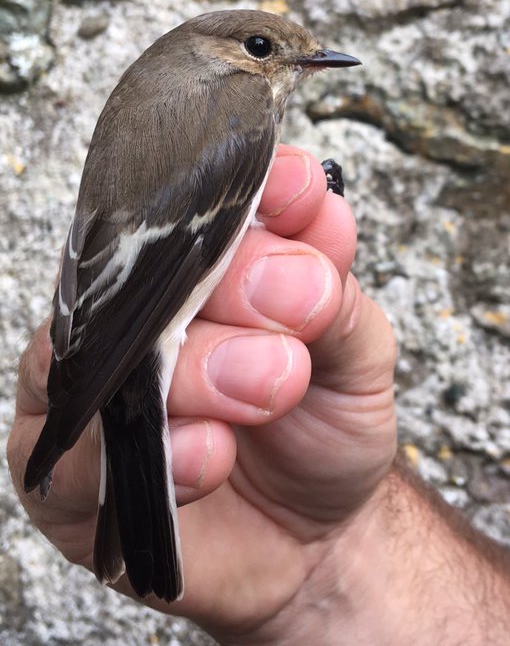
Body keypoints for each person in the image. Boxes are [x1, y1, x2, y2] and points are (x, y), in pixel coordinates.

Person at [7, 145, 510, 644]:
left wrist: (338, 549)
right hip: (142, 305)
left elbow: (192, 240)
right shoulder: (235, 101)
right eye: (264, 54)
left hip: (112, 299)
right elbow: (188, 247)